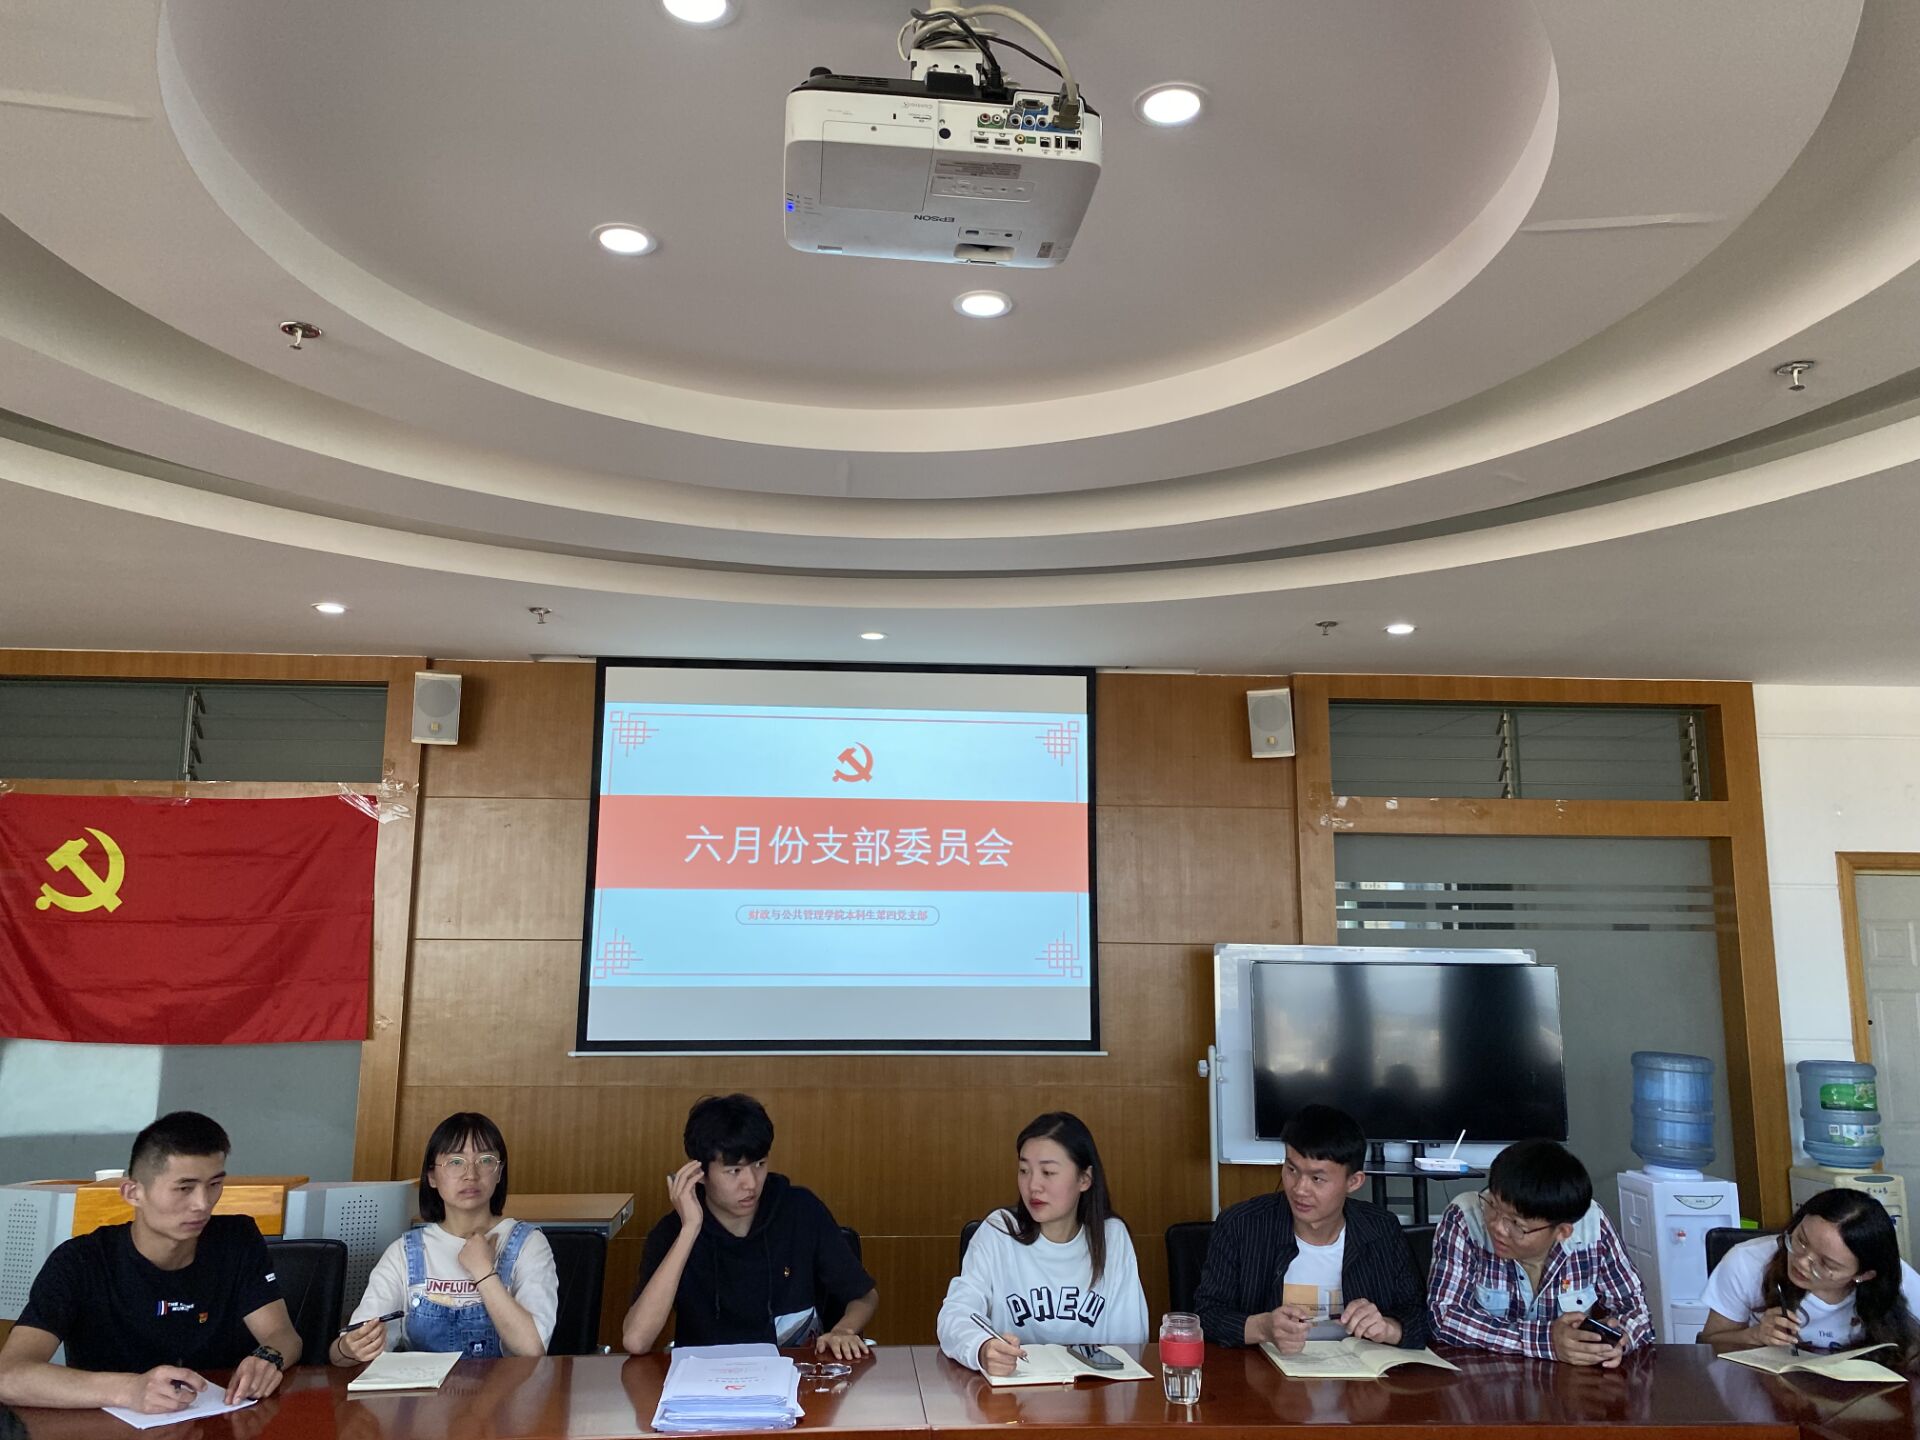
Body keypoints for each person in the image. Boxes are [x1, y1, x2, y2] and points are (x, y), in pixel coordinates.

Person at [0, 1112, 301, 1414]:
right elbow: (8, 1375)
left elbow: (283, 1335)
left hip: (222, 1419)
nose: (202, 1203)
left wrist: (268, 1357)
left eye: (214, 1184)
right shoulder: (79, 1261)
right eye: (184, 1188)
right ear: (134, 1193)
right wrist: (129, 1390)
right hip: (110, 1428)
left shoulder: (237, 1239)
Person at [622, 1093, 877, 1356]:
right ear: (699, 1174)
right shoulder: (673, 1231)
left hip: (796, 1371)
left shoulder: (800, 1210)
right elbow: (636, 1340)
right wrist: (690, 1229)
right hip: (707, 1375)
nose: (751, 1184)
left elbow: (865, 1295)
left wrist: (844, 1330)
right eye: (734, 1171)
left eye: (759, 1164)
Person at [1194, 1104, 1428, 1351]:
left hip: (1360, 1372)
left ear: (1354, 1181)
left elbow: (1419, 1315)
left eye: (1317, 1178)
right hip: (1266, 1371)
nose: (1299, 1189)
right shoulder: (1241, 1225)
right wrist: (1262, 1327)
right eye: (1291, 1170)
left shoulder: (1382, 1230)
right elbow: (1206, 1315)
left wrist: (1389, 1327)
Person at [332, 1112, 557, 1364]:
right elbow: (344, 1355)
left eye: (485, 1160)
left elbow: (532, 1348)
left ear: (499, 1172)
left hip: (505, 1389)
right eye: (455, 1162)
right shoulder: (406, 1252)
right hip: (422, 1389)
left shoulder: (528, 1243)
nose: (471, 1174)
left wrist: (483, 1272)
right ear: (431, 1176)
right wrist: (348, 1348)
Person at [937, 1112, 1149, 1374]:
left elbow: (1130, 1340)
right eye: (1024, 1170)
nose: (1033, 1185)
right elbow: (955, 1315)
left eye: (1048, 1172)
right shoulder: (999, 1231)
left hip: (1094, 1392)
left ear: (1084, 1179)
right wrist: (981, 1348)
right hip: (1013, 1392)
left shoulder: (1111, 1237)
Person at [1428, 1138, 1652, 1366]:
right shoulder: (1465, 1217)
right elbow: (1443, 1316)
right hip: (1484, 1375)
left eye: (1517, 1224)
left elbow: (1635, 1309)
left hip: (1569, 1380)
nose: (1497, 1227)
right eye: (1492, 1205)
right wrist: (1546, 1341)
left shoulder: (1592, 1226)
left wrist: (1617, 1340)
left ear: (1562, 1231)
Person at [1699, 1188, 1920, 1363]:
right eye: (1801, 1240)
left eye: (1826, 1263)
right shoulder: (1747, 1262)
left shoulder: (1897, 1279)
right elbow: (1708, 1343)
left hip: (1863, 1398)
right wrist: (1755, 1336)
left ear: (1863, 1275)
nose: (1802, 1262)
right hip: (1769, 1393)